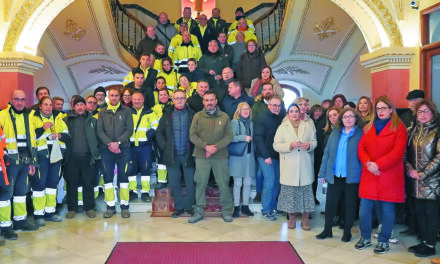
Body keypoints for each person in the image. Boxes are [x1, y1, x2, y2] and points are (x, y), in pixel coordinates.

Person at [355, 95, 407, 254]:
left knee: (387, 209)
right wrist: (368, 163)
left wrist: (378, 164)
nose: (381, 111)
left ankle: (384, 240)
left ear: (391, 109)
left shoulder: (399, 128)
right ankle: (365, 237)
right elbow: (361, 148)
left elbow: (397, 152)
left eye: (384, 108)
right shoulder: (368, 126)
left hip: (388, 174)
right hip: (370, 173)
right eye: (378, 108)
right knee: (364, 208)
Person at [316, 108, 364, 241]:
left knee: (350, 204)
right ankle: (327, 230)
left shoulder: (360, 134)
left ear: (356, 118)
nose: (347, 119)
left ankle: (347, 232)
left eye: (351, 116)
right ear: (341, 120)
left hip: (352, 176)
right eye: (345, 117)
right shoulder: (335, 133)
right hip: (335, 175)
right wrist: (323, 172)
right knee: (330, 203)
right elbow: (327, 153)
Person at [188, 91, 233, 223]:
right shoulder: (198, 116)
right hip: (202, 155)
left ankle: (226, 211)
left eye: (211, 100)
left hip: (221, 156)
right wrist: (205, 146)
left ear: (216, 101)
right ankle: (198, 211)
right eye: (206, 100)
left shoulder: (224, 117)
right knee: (201, 184)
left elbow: (229, 136)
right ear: (203, 102)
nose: (209, 103)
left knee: (223, 183)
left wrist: (215, 147)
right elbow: (193, 135)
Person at [0, 90, 38, 241]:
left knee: (21, 192)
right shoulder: (2, 116)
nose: (20, 102)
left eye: (22, 99)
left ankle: (20, 221)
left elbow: (33, 140)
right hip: (9, 162)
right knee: (5, 194)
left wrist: (33, 161)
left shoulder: (29, 117)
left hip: (25, 161)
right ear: (11, 100)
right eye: (16, 99)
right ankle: (5, 226)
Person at [405, 99, 440, 257]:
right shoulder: (413, 131)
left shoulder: (437, 130)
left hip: (433, 181)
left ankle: (430, 244)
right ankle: (424, 241)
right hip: (415, 180)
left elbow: (439, 156)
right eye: (420, 112)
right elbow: (405, 154)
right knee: (419, 213)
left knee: (431, 214)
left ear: (433, 113)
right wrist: (410, 170)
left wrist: (424, 173)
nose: (423, 115)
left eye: (426, 111)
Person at [274, 103, 317, 230]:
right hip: (289, 165)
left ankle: (305, 220)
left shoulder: (307, 126)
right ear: (288, 114)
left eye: (296, 111)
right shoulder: (282, 128)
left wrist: (308, 145)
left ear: (300, 113)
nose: (294, 113)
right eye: (291, 111)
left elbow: (314, 141)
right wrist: (290, 145)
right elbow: (276, 145)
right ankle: (291, 219)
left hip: (304, 163)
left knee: (305, 193)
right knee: (290, 195)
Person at [156, 90, 196, 217]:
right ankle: (179, 207)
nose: (179, 100)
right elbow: (159, 132)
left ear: (186, 99)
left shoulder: (192, 114)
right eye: (177, 98)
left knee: (191, 182)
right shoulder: (167, 114)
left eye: (182, 98)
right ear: (172, 100)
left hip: (188, 154)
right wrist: (165, 146)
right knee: (174, 183)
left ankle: (189, 206)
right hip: (172, 155)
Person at [30, 96, 69, 226]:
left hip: (56, 156)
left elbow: (67, 136)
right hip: (40, 156)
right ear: (40, 106)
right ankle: (38, 215)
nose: (48, 107)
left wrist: (58, 135)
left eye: (49, 105)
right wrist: (42, 127)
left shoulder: (58, 118)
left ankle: (50, 213)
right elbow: (30, 136)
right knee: (40, 185)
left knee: (52, 184)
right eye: (45, 104)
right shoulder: (33, 118)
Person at [97, 88, 134, 218]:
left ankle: (124, 207)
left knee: (124, 177)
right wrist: (110, 144)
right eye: (111, 95)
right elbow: (100, 131)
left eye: (116, 95)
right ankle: (110, 207)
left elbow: (129, 129)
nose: (114, 98)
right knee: (107, 177)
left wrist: (117, 143)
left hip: (123, 148)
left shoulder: (127, 111)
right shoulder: (102, 112)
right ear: (108, 97)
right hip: (106, 150)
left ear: (120, 97)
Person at [63, 96, 100, 219]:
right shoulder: (66, 120)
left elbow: (98, 137)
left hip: (88, 157)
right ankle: (72, 209)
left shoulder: (92, 120)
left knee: (88, 183)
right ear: (74, 106)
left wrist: (95, 153)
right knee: (71, 183)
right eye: (77, 105)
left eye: (82, 105)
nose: (80, 107)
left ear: (85, 106)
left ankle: (89, 208)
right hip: (71, 158)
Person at [254, 96, 284, 221]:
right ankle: (266, 209)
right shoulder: (261, 118)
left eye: (278, 105)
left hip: (278, 155)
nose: (276, 108)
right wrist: (266, 156)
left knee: (277, 182)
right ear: (268, 105)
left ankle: (273, 207)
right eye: (274, 105)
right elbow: (258, 138)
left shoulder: (282, 117)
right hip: (265, 155)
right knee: (270, 181)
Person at [128, 92, 158, 202]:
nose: (137, 101)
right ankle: (133, 191)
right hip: (131, 145)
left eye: (139, 99)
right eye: (135, 99)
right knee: (132, 169)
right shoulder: (128, 112)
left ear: (143, 100)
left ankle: (145, 192)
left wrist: (149, 134)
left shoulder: (150, 112)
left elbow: (155, 124)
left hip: (145, 145)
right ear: (132, 100)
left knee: (146, 168)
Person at [230, 102, 255, 218]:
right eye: (243, 109)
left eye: (247, 109)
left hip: (250, 156)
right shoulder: (235, 122)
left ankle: (245, 206)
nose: (246, 111)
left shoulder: (252, 124)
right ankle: (236, 207)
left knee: (248, 183)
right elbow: (230, 138)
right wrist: (243, 138)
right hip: (238, 157)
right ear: (238, 111)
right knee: (238, 183)